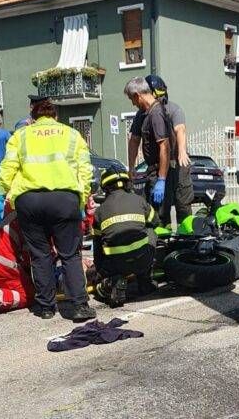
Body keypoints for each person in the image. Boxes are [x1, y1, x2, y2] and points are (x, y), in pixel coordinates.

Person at [0, 95, 96, 321]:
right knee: (70, 255)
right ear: (55, 115)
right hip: (64, 200)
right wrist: (82, 200)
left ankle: (46, 306)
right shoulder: (72, 134)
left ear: (33, 117)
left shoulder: (20, 136)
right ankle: (79, 305)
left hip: (30, 202)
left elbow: (7, 168)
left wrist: (0, 197)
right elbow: (85, 170)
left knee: (40, 255)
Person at [127, 75, 194, 225]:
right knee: (160, 210)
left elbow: (180, 130)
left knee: (182, 203)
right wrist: (131, 166)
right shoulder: (142, 114)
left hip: (177, 162)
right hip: (159, 165)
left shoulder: (171, 109)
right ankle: (165, 242)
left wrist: (182, 150)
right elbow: (134, 140)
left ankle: (187, 241)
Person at [91, 167, 158, 307]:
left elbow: (97, 246)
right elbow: (156, 221)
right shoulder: (139, 200)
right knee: (150, 230)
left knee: (99, 285)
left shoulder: (99, 212)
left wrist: (100, 272)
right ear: (127, 183)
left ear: (105, 188)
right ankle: (145, 281)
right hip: (142, 259)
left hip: (116, 265)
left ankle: (111, 283)